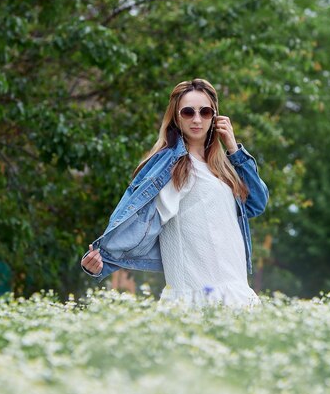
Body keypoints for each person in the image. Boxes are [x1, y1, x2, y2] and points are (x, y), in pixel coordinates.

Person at [81, 78, 269, 307]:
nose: (197, 119)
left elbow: (256, 203)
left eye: (205, 111)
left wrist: (233, 148)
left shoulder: (223, 170)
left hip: (235, 289)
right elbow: (140, 218)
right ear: (176, 118)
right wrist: (103, 259)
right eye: (188, 112)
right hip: (196, 295)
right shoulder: (171, 166)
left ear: (215, 117)